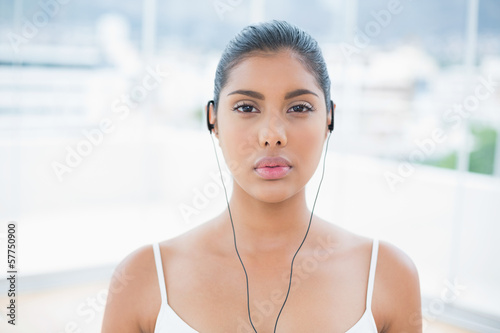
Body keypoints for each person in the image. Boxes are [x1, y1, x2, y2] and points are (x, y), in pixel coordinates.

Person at [101, 20, 422, 333]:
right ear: (213, 119)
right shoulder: (144, 278)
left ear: (329, 119)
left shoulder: (386, 276)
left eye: (298, 108)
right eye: (246, 107)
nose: (272, 135)